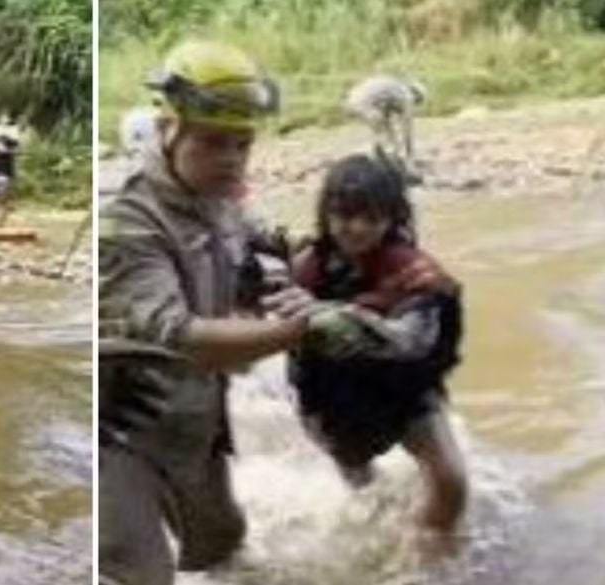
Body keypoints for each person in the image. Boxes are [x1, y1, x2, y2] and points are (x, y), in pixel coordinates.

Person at [98, 41, 353, 585]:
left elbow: (281, 253)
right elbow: (185, 337)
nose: (232, 158)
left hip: (195, 418)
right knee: (140, 571)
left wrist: (350, 267)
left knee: (222, 549)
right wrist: (298, 328)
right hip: (120, 429)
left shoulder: (223, 203)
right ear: (170, 129)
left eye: (243, 144)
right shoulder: (128, 225)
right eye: (214, 143)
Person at [288, 154, 467, 538]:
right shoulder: (306, 266)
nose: (357, 228)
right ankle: (381, 541)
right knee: (365, 491)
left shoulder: (412, 269)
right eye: (345, 216)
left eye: (372, 218)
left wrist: (337, 317)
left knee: (451, 481)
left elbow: (414, 342)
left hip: (404, 387)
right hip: (332, 397)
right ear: (326, 214)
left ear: (392, 219)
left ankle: (429, 554)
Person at [344, 75, 426, 184]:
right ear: (416, 96)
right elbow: (407, 131)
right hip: (365, 103)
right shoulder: (406, 96)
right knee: (385, 139)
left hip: (353, 100)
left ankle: (383, 161)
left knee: (384, 134)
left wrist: (395, 142)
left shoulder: (395, 89)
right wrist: (410, 157)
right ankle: (384, 166)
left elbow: (388, 121)